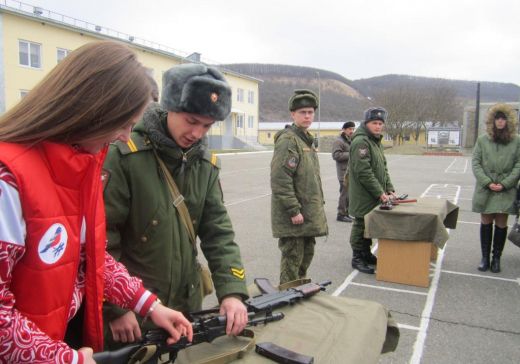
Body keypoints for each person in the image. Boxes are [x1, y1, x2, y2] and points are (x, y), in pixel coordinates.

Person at [0, 41, 192, 364]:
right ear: (93, 112)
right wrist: (66, 360)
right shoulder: (9, 180)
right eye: (124, 124)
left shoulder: (80, 166)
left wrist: (149, 305)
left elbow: (89, 259)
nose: (126, 137)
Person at [102, 63, 249, 348]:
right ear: (168, 107)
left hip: (185, 309)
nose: (197, 133)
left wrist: (232, 293)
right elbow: (102, 241)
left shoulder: (205, 165)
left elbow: (219, 234)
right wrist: (115, 308)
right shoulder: (124, 156)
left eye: (207, 126)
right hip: (136, 314)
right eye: (191, 120)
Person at [270, 89, 328, 285]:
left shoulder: (305, 139)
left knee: (305, 256)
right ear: (292, 114)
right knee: (292, 260)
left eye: (310, 112)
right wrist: (293, 209)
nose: (307, 116)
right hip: (295, 216)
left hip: (307, 213)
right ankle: (287, 297)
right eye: (302, 112)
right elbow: (280, 179)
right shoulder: (288, 140)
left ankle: (299, 293)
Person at [472, 103, 520, 273]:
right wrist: (487, 182)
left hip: (506, 189)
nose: (500, 121)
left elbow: (519, 165)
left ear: (508, 121)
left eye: (503, 118)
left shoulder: (517, 141)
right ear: (492, 121)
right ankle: (485, 258)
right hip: (486, 188)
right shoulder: (482, 140)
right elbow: (476, 162)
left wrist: (506, 183)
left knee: (501, 222)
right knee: (486, 221)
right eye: (497, 118)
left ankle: (496, 259)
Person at [348, 107, 396, 274]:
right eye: (374, 123)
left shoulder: (375, 141)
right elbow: (364, 171)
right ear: (366, 123)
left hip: (374, 192)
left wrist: (389, 188)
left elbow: (383, 167)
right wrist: (379, 192)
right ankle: (357, 257)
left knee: (369, 223)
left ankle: (366, 253)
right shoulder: (361, 142)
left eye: (380, 123)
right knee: (360, 223)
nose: (378, 126)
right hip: (363, 193)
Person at [332, 121, 356, 223]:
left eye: (353, 129)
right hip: (343, 172)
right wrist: (351, 153)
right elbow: (336, 155)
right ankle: (341, 214)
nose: (352, 131)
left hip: (350, 172)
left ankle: (347, 213)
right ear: (344, 129)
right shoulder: (339, 141)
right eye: (350, 129)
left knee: (349, 194)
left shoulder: (349, 140)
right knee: (344, 194)